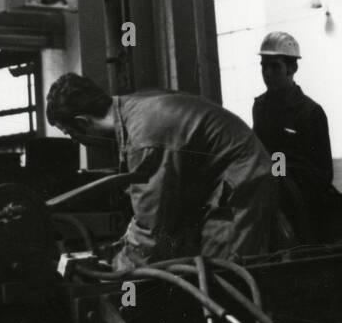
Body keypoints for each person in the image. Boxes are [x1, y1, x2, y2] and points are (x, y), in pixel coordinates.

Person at [46, 73, 276, 270]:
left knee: (222, 274)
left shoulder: (143, 136)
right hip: (217, 179)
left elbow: (150, 227)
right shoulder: (131, 109)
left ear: (83, 122)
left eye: (70, 133)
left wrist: (116, 268)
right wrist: (118, 251)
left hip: (240, 179)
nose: (77, 142)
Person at [252, 32, 333, 233]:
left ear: (292, 68)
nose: (267, 73)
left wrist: (285, 178)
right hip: (268, 193)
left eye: (275, 67)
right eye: (264, 66)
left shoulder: (310, 112)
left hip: (305, 203)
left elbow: (324, 173)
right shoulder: (260, 107)